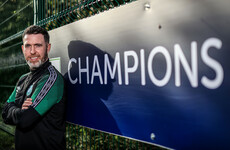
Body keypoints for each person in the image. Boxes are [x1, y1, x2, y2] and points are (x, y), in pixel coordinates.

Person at [1, 25, 66, 150]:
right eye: (28, 46)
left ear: (48, 47)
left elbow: (25, 120)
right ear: (22, 49)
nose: (32, 51)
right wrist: (19, 110)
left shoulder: (51, 79)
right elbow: (4, 112)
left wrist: (15, 108)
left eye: (38, 45)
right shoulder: (23, 79)